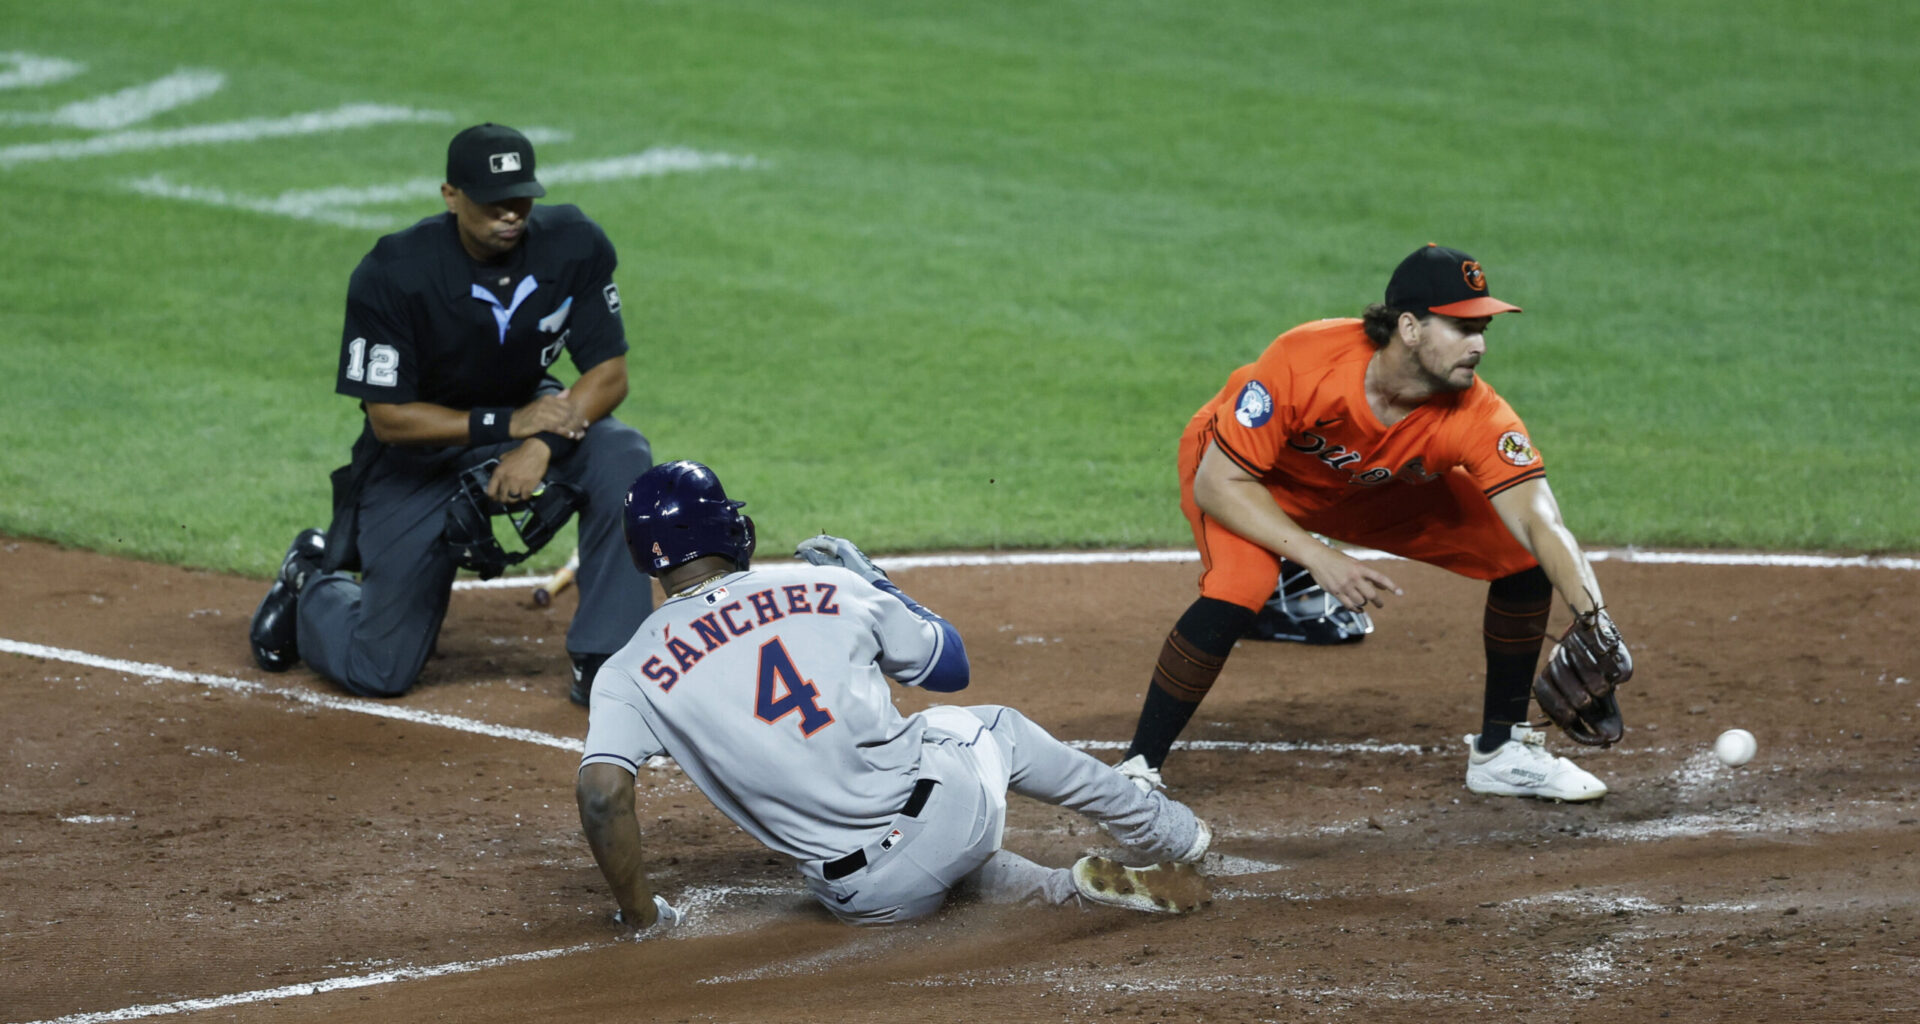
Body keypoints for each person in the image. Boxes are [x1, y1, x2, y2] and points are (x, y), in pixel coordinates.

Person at [576, 461, 1212, 932]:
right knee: (996, 727)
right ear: (728, 527)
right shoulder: (824, 586)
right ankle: (1172, 836)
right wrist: (879, 584)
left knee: (937, 866)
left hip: (868, 897)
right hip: (951, 811)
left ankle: (1063, 891)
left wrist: (640, 916)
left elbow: (602, 794)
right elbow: (950, 667)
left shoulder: (628, 671)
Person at [1117, 244, 1625, 802]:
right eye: (1461, 327)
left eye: (1483, 328)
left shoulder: (1475, 413)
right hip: (1245, 477)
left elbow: (1538, 519)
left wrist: (1594, 617)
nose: (1478, 345)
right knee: (1241, 587)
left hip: (1364, 486)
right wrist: (1318, 556)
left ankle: (1501, 750)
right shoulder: (1306, 360)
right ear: (1409, 327)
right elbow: (1218, 485)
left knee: (1520, 556)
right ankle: (1136, 771)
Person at [247, 123, 653, 704]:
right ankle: (310, 580)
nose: (510, 214)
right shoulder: (395, 274)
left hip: (528, 423)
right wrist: (510, 426)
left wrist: (539, 445)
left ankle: (607, 659)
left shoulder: (573, 245)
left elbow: (609, 373)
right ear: (450, 195)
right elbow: (390, 419)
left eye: (521, 198)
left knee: (622, 453)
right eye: (493, 203)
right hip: (420, 457)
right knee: (377, 670)